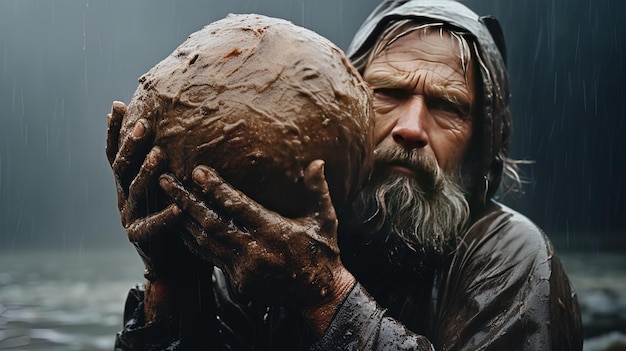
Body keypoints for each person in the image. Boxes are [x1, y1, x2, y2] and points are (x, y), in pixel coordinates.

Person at [107, 1, 583, 350]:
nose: (411, 129)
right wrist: (172, 282)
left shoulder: (511, 255)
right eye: (389, 93)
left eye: (447, 106)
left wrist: (324, 292)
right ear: (346, 110)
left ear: (482, 147)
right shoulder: (271, 244)